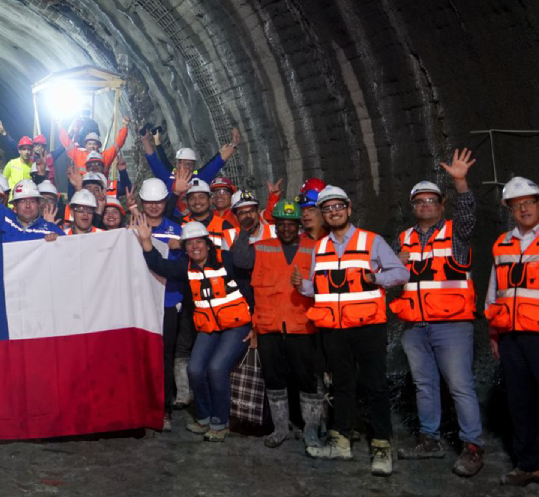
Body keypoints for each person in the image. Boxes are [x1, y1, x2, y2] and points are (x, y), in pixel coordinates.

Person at [292, 185, 407, 476]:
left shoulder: (371, 240)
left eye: (338, 207)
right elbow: (319, 288)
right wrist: (302, 286)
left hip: (368, 326)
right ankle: (341, 441)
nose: (333, 212)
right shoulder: (320, 247)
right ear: (323, 214)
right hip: (335, 329)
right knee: (342, 385)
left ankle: (381, 445)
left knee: (375, 385)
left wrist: (376, 278)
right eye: (327, 208)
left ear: (349, 209)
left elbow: (401, 272)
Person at [390, 149, 483, 477]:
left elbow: (468, 214)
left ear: (442, 205)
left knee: (460, 386)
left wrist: (461, 182)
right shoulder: (404, 239)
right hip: (415, 326)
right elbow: (391, 279)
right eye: (419, 201)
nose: (425, 205)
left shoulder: (455, 234)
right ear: (412, 207)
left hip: (452, 325)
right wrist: (395, 265)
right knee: (424, 385)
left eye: (432, 200)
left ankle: (473, 446)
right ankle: (429, 439)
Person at [134, 219, 251, 442]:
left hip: (237, 326)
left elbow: (249, 288)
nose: (195, 247)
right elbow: (160, 266)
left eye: (199, 242)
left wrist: (256, 324)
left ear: (207, 244)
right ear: (185, 247)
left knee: (216, 369)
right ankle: (204, 417)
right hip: (210, 327)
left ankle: (220, 422)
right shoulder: (185, 267)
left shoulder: (226, 260)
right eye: (189, 243)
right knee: (195, 369)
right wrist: (146, 241)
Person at [229, 198, 325, 449]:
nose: (286, 228)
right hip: (268, 325)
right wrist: (246, 229)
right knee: (273, 378)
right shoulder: (263, 247)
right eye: (281, 223)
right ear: (276, 225)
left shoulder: (314, 248)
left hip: (302, 325)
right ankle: (280, 428)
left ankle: (311, 428)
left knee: (306, 379)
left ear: (298, 225)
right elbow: (240, 259)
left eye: (291, 224)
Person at [484, 176, 539, 487]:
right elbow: (494, 292)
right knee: (520, 402)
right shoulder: (502, 244)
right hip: (510, 336)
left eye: (529, 202)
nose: (524, 209)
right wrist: (494, 333)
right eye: (517, 205)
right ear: (509, 210)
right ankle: (529, 465)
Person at [129, 178, 186, 430]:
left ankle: (164, 409)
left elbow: (186, 265)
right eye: (149, 202)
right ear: (142, 202)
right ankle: (140, 403)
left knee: (165, 356)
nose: (154, 206)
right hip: (139, 301)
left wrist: (182, 246)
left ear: (165, 202)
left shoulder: (177, 230)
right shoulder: (131, 227)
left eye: (159, 202)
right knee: (139, 353)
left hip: (168, 301)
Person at [0, 138, 63, 242]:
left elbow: (71, 247)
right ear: (15, 205)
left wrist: (59, 242)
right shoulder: (5, 220)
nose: (28, 205)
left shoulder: (51, 230)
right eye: (22, 201)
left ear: (38, 203)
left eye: (32, 201)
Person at [142, 127, 240, 192]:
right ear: (177, 164)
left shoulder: (199, 178)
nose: (187, 167)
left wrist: (233, 144)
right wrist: (145, 139)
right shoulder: (168, 177)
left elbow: (217, 163)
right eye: (184, 163)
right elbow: (154, 160)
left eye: (190, 164)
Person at [182, 178, 236, 249]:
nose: (197, 202)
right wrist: (175, 193)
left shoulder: (225, 225)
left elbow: (232, 254)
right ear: (187, 202)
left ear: (210, 200)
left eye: (201, 197)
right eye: (192, 198)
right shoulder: (180, 223)